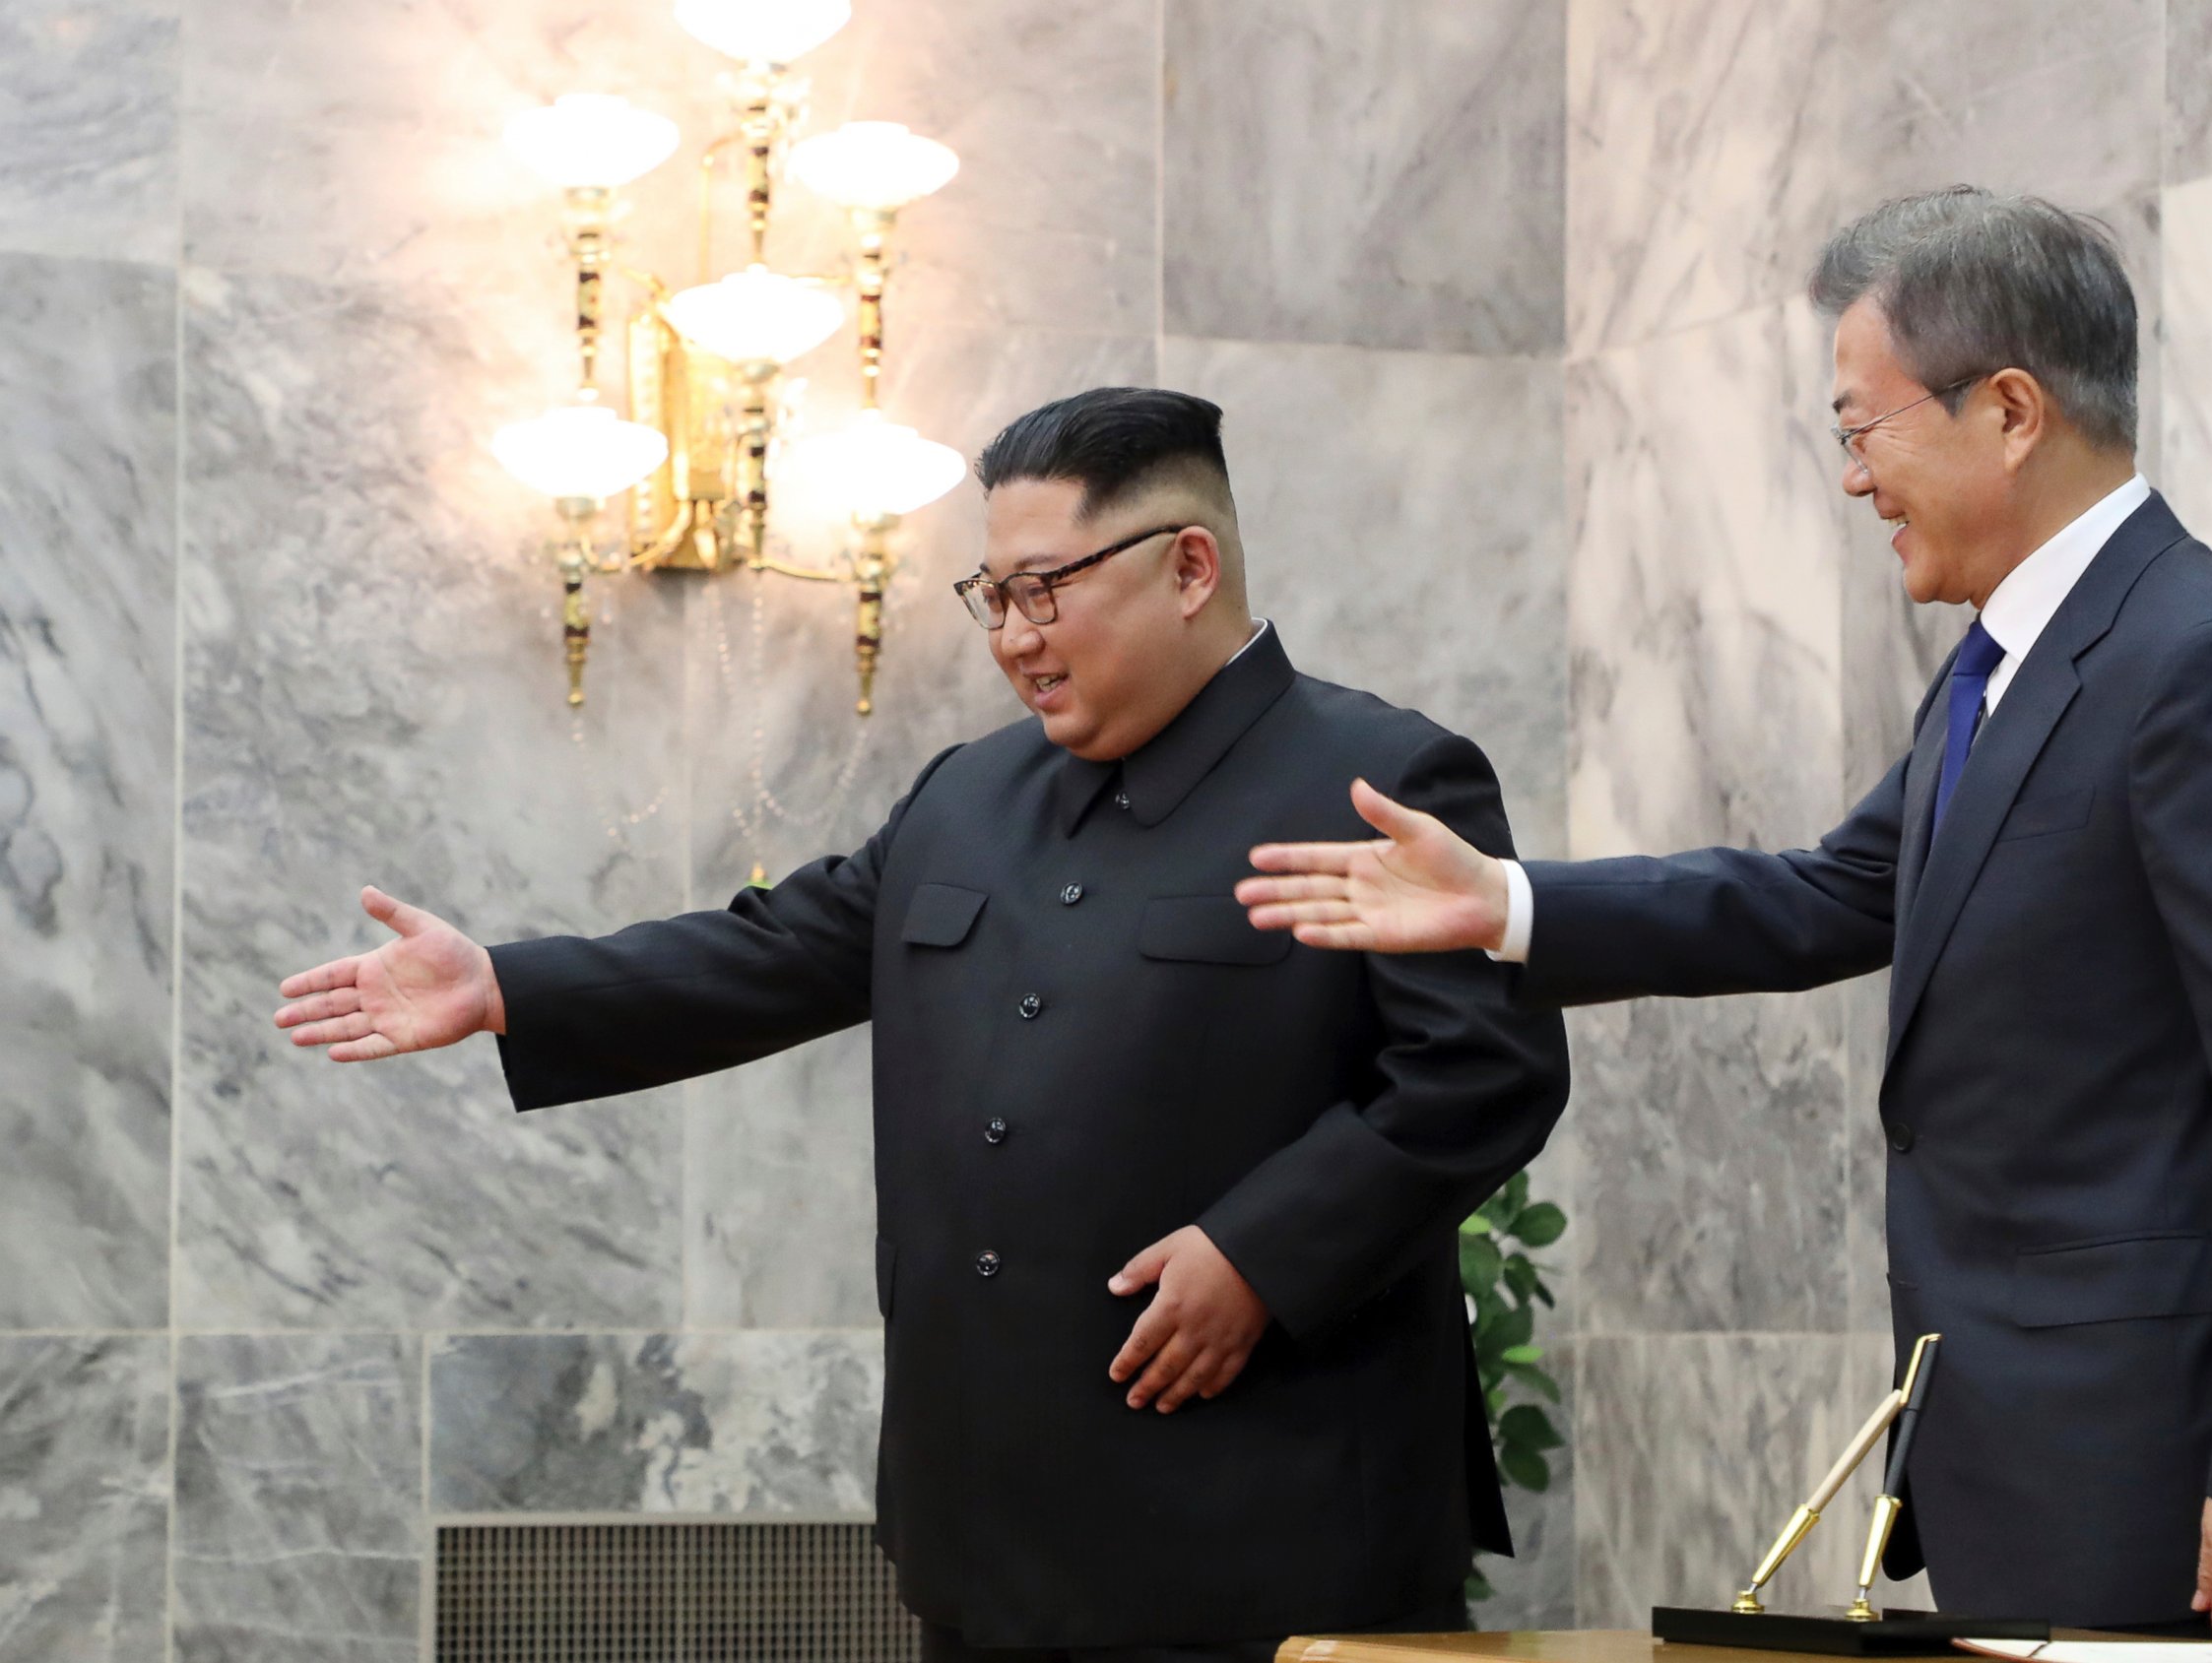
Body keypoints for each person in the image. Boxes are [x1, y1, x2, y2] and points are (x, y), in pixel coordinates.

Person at [1237, 189, 2212, 1640]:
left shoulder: (2200, 661)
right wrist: (1502, 902)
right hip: (2047, 1468)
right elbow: (1829, 892)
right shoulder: (2012, 658)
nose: (1851, 478)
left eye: (1860, 427)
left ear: (2009, 410)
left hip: (2185, 1478)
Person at [275, 387, 1570, 1658]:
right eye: (993, 594)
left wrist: (1262, 1253)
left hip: (1269, 1526)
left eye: (1045, 588)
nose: (1012, 634)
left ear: (1187, 567)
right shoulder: (970, 790)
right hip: (986, 1535)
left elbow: (1487, 1071)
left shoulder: (1380, 781)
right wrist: (506, 984)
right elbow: (782, 947)